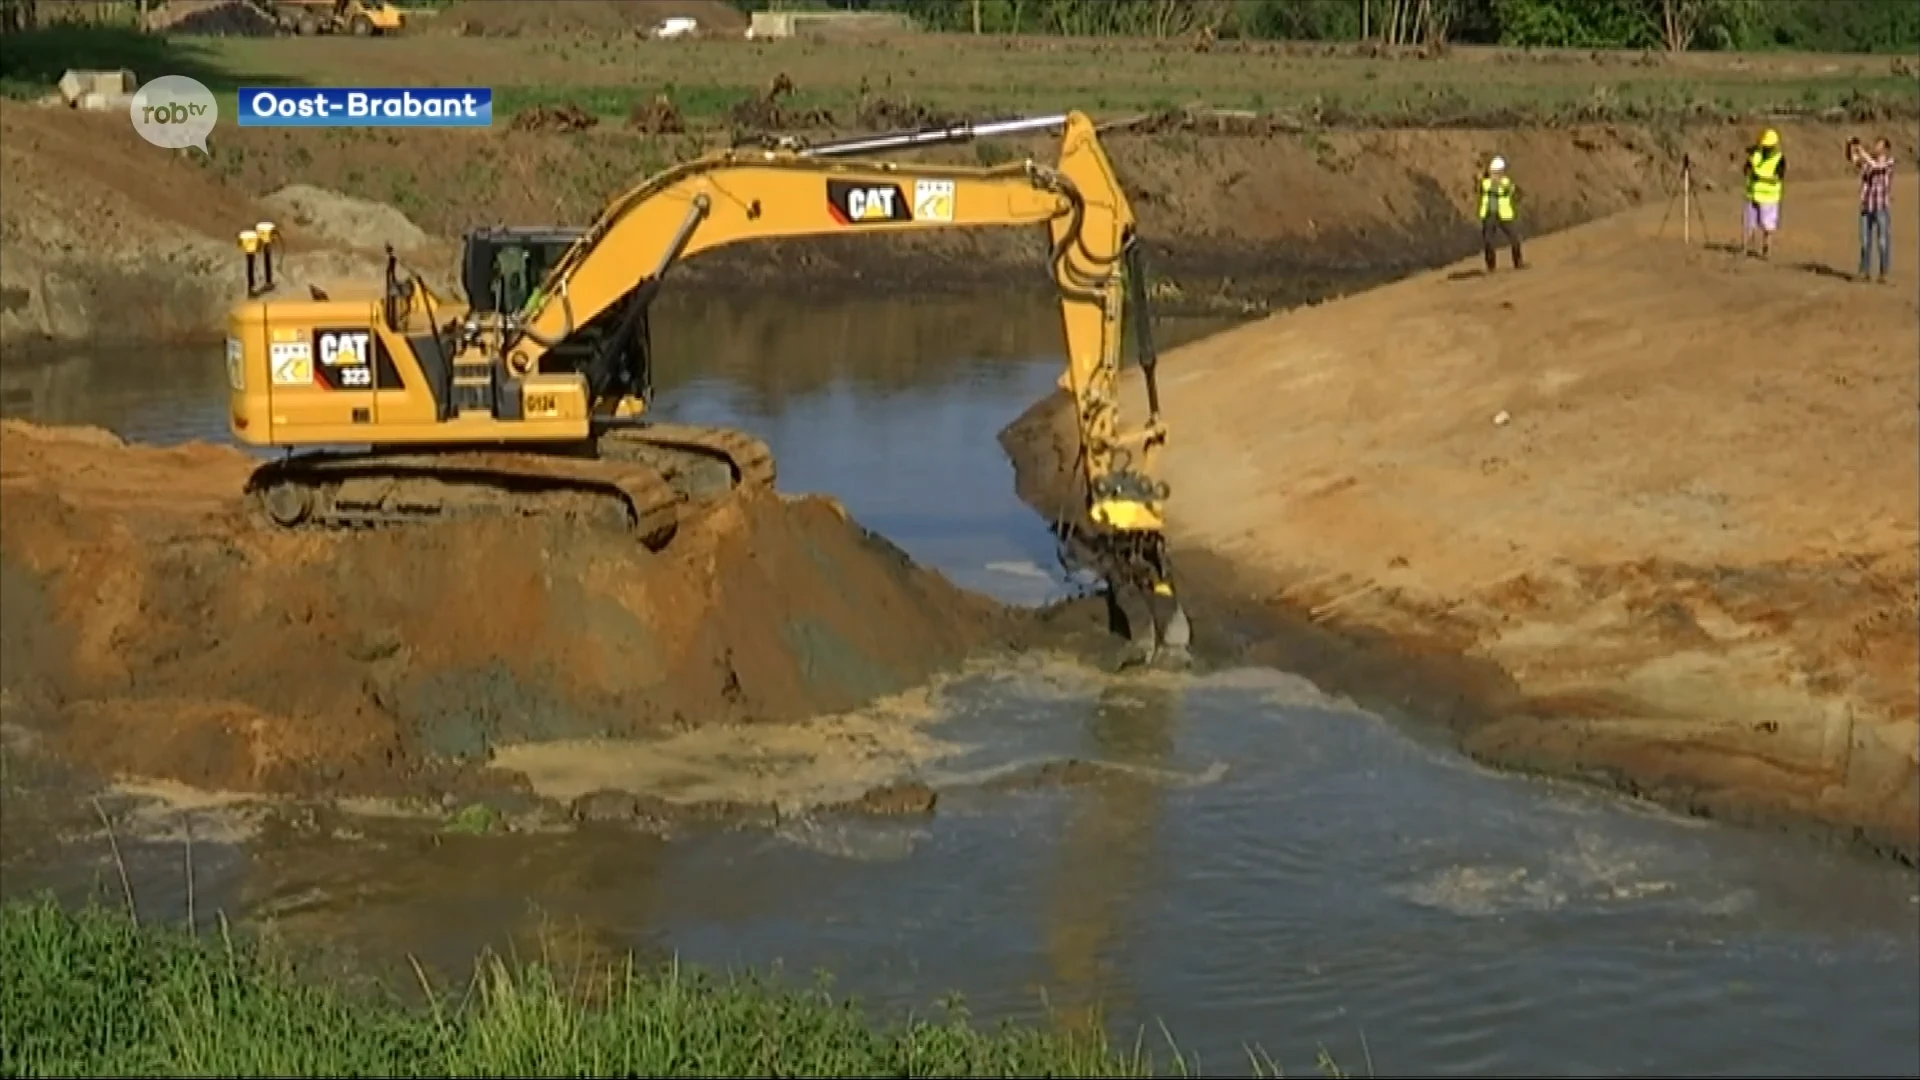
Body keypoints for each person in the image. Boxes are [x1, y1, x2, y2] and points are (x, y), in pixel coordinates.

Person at [1850, 136, 1895, 283]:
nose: (1876, 147)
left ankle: (1884, 273)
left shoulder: (1889, 162)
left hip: (1881, 206)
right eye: (1876, 145)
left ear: (1886, 149)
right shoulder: (1868, 163)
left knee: (1882, 242)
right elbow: (1854, 160)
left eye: (1879, 145)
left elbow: (1876, 166)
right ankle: (1864, 272)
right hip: (1866, 206)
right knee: (1864, 242)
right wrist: (1851, 146)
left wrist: (1861, 150)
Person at [1742, 129, 1785, 259]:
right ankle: (1745, 248)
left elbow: (1778, 178)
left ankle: (1766, 249)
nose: (1767, 148)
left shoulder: (1779, 159)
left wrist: (1759, 176)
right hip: (1752, 194)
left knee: (1767, 225)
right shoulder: (1756, 155)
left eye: (1769, 146)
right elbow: (1746, 170)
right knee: (1748, 223)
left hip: (1769, 198)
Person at [1477, 156, 1523, 271]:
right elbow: (1482, 186)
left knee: (1514, 238)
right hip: (1489, 215)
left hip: (1504, 215)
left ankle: (1518, 262)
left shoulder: (1505, 182)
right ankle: (1491, 266)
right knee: (1488, 241)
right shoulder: (1485, 183)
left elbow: (1515, 191)